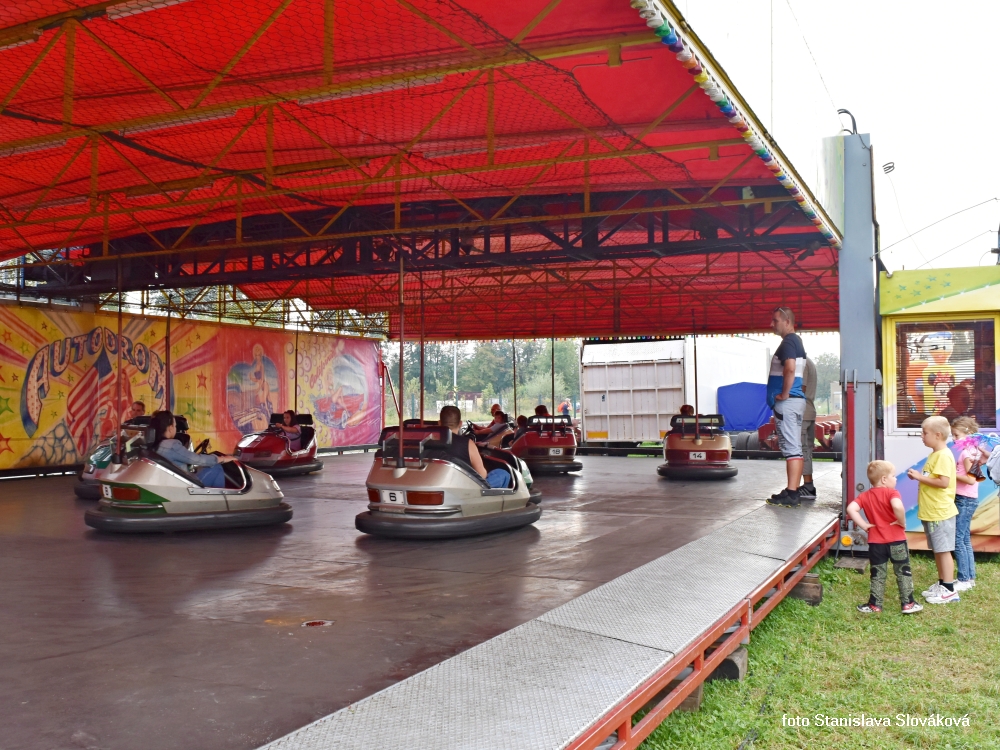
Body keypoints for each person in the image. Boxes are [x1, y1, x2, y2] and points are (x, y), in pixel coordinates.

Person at [847, 461, 922, 614]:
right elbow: (897, 506)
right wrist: (901, 521)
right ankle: (908, 603)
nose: (895, 479)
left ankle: (875, 605)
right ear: (884, 479)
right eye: (893, 476)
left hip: (876, 543)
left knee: (877, 574)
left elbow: (851, 509)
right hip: (897, 541)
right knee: (903, 571)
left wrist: (864, 525)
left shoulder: (864, 496)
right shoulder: (892, 493)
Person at [906, 416, 959, 604]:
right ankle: (942, 583)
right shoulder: (935, 454)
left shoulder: (943, 455)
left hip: (940, 512)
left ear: (937, 435)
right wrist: (919, 477)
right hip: (931, 512)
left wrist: (919, 477)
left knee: (943, 550)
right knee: (938, 549)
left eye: (924, 433)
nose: (922, 436)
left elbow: (943, 482)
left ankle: (949, 589)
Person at [765, 307, 808, 508]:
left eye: (775, 320)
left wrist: (783, 393)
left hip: (788, 403)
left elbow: (789, 368)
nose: (771, 324)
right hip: (794, 402)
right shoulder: (795, 341)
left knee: (791, 449)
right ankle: (793, 490)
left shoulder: (789, 342)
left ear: (787, 321)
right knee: (794, 447)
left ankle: (792, 493)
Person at [150, 410, 236, 488]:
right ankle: (220, 499)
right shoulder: (171, 445)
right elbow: (195, 459)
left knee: (204, 468)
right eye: (175, 426)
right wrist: (222, 459)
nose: (176, 429)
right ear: (170, 428)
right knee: (217, 467)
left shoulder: (154, 445)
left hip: (170, 484)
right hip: (183, 487)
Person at [439, 405, 510, 488]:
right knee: (503, 473)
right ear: (460, 424)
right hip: (465, 487)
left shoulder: (429, 442)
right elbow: (482, 475)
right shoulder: (468, 443)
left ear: (439, 423)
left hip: (439, 483)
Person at [951, 416, 980, 592]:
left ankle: (963, 579)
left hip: (964, 498)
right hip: (969, 498)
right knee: (964, 539)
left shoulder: (966, 453)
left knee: (958, 540)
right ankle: (969, 577)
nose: (954, 439)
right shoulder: (973, 450)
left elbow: (971, 480)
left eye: (956, 435)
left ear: (967, 433)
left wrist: (950, 473)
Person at [799, 357, 818, 500]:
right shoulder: (809, 362)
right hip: (808, 411)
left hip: (802, 413)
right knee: (805, 449)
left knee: (801, 450)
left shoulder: (802, 363)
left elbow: (801, 388)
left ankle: (807, 486)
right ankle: (807, 485)